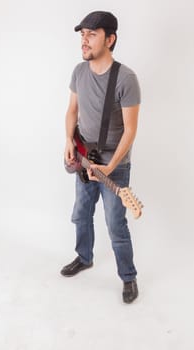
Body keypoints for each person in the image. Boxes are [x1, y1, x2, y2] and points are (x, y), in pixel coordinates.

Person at [61, 11, 141, 303]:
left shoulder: (126, 78)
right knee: (80, 214)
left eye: (91, 34)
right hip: (84, 155)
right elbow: (72, 111)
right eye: (82, 34)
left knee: (115, 224)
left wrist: (111, 164)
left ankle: (129, 277)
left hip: (113, 163)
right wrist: (69, 141)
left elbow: (130, 130)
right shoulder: (79, 72)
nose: (84, 40)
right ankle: (84, 257)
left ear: (110, 39)